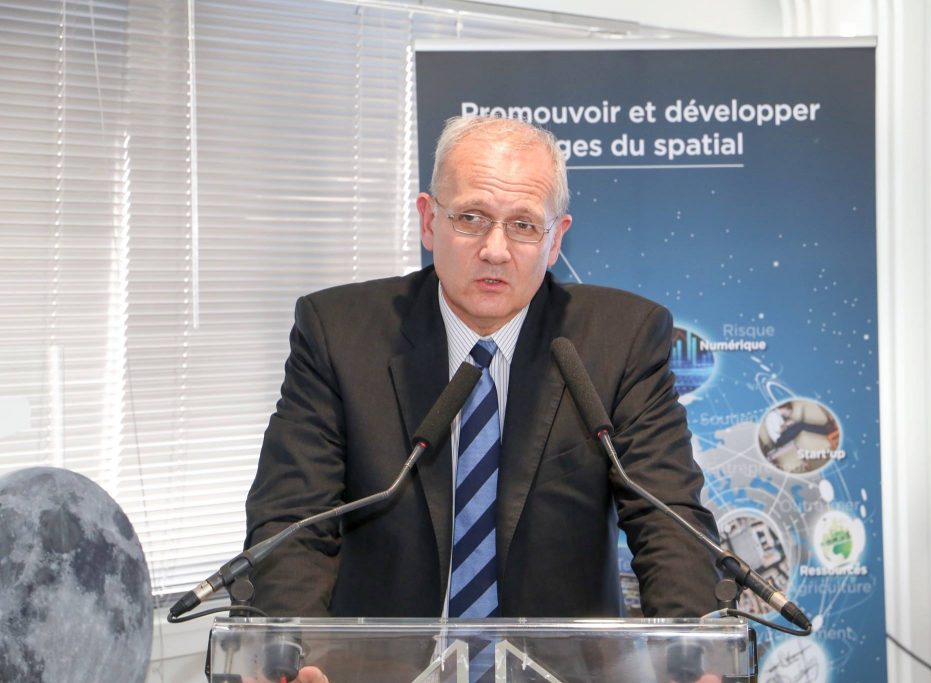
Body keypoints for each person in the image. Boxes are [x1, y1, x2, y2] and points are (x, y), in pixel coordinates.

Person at [243, 115, 721, 682]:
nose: (496, 250)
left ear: (556, 239)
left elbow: (667, 516)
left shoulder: (620, 341)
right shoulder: (339, 333)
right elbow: (293, 518)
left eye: (523, 225)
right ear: (429, 220)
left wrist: (693, 658)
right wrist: (289, 654)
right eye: (470, 218)